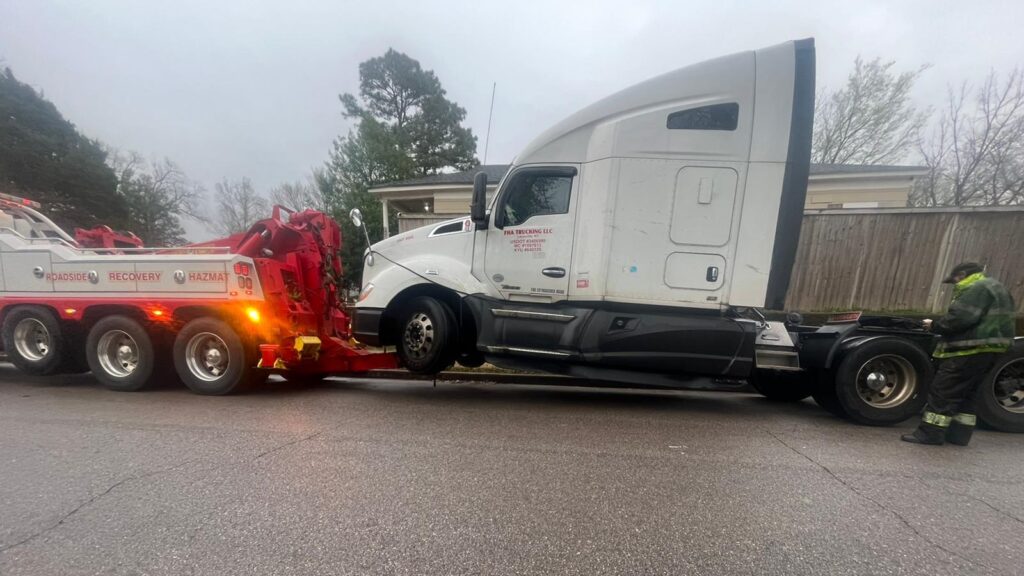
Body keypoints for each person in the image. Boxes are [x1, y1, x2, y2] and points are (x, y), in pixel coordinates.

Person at [902, 262, 1016, 446]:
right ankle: (959, 435)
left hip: (969, 348)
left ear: (962, 274)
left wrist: (934, 325)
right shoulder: (998, 288)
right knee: (968, 393)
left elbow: (960, 319)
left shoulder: (976, 288)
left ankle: (929, 434)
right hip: (992, 350)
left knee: (944, 390)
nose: (954, 284)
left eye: (954, 280)